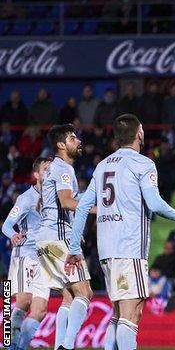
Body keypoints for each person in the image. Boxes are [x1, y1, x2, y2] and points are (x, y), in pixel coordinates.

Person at [65, 114, 175, 350]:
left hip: (107, 251)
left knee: (121, 313)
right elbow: (155, 204)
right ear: (139, 134)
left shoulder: (102, 165)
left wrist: (75, 247)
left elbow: (83, 205)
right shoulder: (143, 163)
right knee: (131, 313)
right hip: (129, 248)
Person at [37, 124, 93, 350]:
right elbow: (67, 202)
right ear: (61, 145)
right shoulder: (63, 169)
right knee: (85, 292)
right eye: (72, 138)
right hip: (58, 237)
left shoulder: (51, 168)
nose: (78, 141)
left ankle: (60, 344)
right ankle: (67, 346)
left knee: (69, 297)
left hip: (46, 239)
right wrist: (100, 209)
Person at [2, 157, 52, 350]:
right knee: (23, 301)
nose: (50, 172)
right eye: (45, 169)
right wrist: (14, 235)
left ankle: (18, 347)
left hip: (46, 258)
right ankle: (10, 345)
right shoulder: (26, 198)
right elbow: (7, 225)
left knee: (40, 310)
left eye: (52, 169)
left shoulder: (57, 198)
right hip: (26, 254)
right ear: (36, 175)